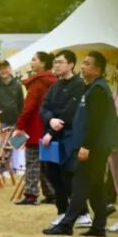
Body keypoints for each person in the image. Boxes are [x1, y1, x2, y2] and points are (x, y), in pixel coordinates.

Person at [44, 51, 118, 237]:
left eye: (87, 63)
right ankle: (99, 227)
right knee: (96, 187)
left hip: (94, 147)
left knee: (79, 184)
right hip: (94, 146)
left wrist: (86, 146)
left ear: (97, 69)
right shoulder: (91, 87)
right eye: (83, 63)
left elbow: (96, 122)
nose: (82, 66)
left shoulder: (98, 90)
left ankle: (67, 224)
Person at [40, 49, 87, 225]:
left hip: (69, 136)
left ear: (71, 64)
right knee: (52, 173)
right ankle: (62, 210)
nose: (56, 65)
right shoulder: (55, 86)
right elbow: (44, 107)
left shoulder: (79, 84)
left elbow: (71, 111)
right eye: (55, 62)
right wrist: (50, 120)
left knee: (68, 174)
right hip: (53, 137)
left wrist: (52, 130)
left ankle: (82, 212)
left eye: (60, 62)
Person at [14, 51, 57, 206]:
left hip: (35, 127)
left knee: (32, 162)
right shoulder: (55, 81)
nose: (31, 62)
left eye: (34, 60)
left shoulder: (37, 83)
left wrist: (20, 126)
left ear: (43, 63)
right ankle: (52, 193)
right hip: (51, 128)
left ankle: (31, 194)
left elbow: (29, 107)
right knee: (47, 164)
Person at [0, 60, 24, 129]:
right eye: (1, 69)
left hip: (15, 121)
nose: (3, 71)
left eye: (5, 68)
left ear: (10, 68)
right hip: (1, 122)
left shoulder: (17, 85)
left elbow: (21, 104)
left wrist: (21, 120)